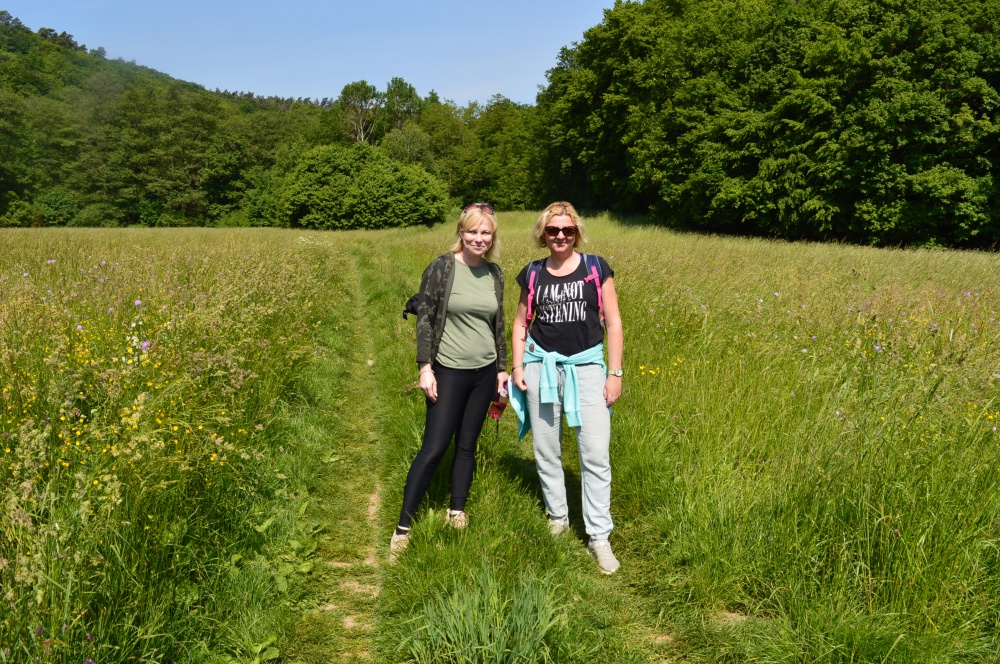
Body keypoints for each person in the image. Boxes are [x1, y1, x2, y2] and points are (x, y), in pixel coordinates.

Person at [509, 201, 624, 574]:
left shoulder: (595, 267)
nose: (560, 236)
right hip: (541, 369)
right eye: (553, 230)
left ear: (577, 233)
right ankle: (557, 518)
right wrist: (517, 366)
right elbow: (520, 323)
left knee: (595, 455)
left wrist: (615, 373)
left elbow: (613, 322)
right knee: (546, 450)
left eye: (567, 230)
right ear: (543, 234)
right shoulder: (533, 273)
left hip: (588, 369)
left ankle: (599, 536)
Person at [390, 203, 509, 559]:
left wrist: (502, 369)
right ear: (461, 232)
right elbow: (425, 318)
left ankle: (457, 510)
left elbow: (498, 324)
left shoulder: (495, 273)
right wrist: (425, 368)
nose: (478, 238)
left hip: (484, 371)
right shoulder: (442, 267)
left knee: (467, 445)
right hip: (448, 370)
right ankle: (402, 528)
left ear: (493, 237)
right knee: (434, 447)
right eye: (472, 231)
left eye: (485, 233)